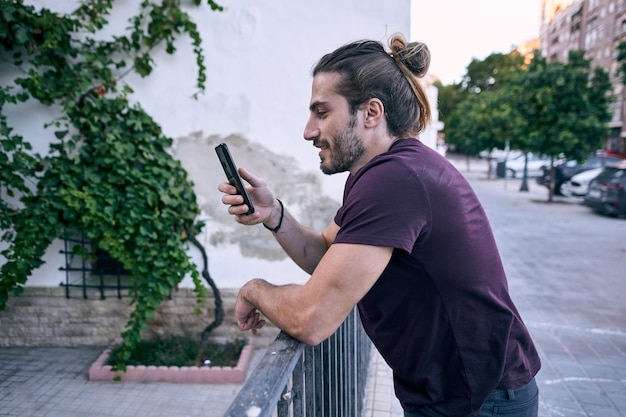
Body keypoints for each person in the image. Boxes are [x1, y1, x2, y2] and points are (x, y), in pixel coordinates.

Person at [217, 34, 541, 417]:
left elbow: (312, 319)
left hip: (478, 400)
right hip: (459, 394)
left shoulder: (395, 180)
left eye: (321, 112)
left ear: (371, 113)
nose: (308, 130)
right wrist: (275, 215)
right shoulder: (382, 173)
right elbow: (325, 254)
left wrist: (255, 289)